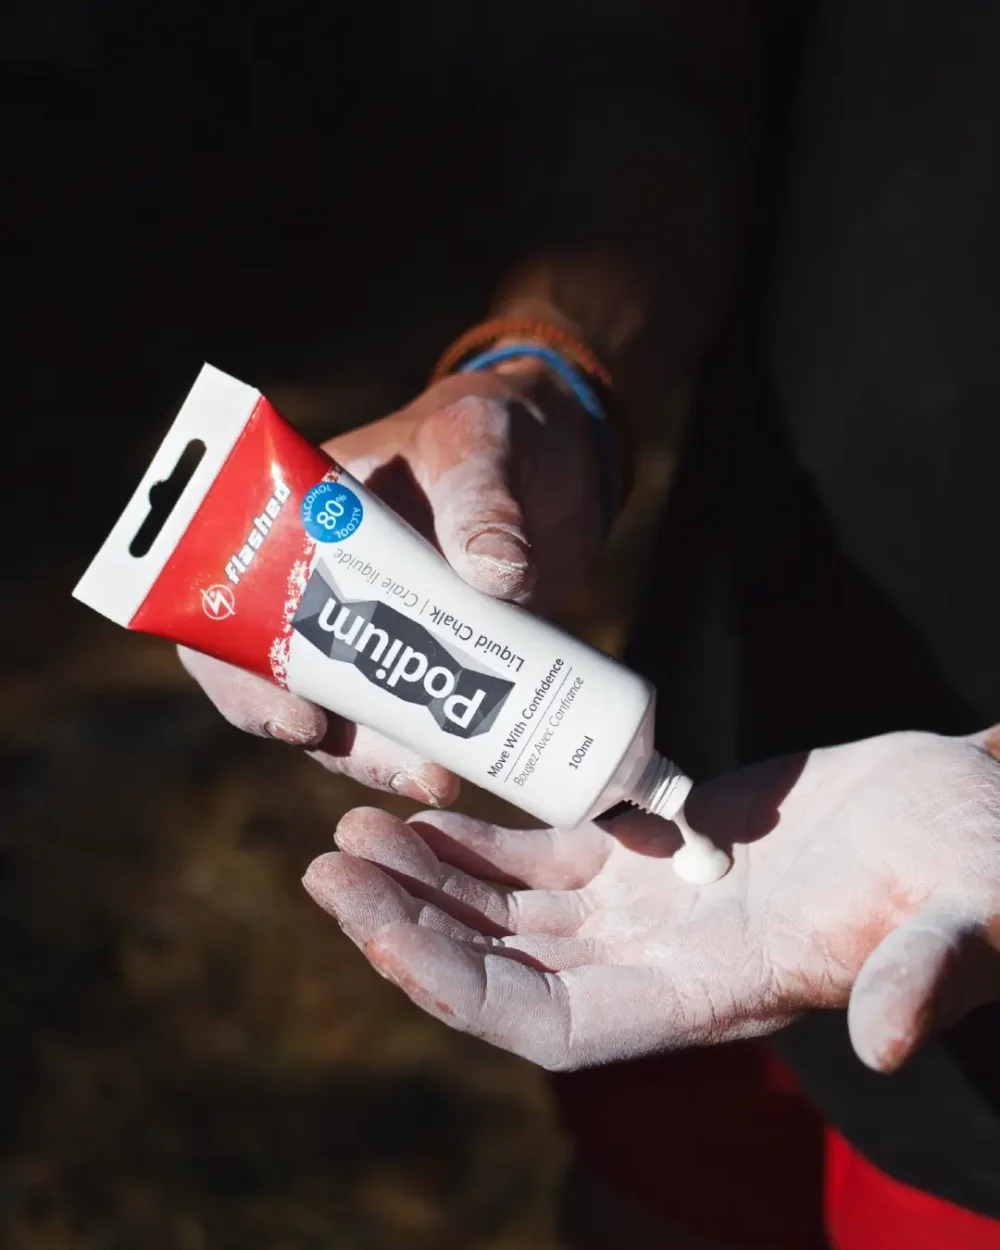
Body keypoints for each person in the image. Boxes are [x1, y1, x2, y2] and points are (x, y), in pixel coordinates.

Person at [182, 3, 1000, 1246]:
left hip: (951, 1005)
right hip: (713, 787)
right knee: (648, 1200)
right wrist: (550, 376)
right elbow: (677, 63)